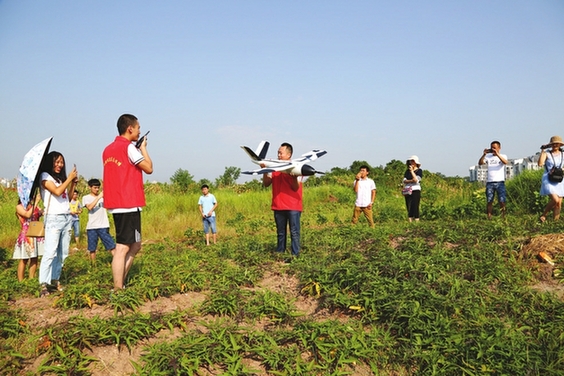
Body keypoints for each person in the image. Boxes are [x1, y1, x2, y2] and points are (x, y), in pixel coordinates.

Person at [103, 114, 153, 291]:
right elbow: (149, 168)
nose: (139, 131)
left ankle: (120, 282)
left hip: (117, 203)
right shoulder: (129, 148)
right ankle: (117, 288)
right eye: (138, 128)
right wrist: (143, 149)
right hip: (128, 203)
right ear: (130, 128)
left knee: (135, 245)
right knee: (123, 247)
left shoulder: (108, 150)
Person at [38, 151, 78, 297]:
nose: (60, 165)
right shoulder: (44, 177)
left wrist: (72, 183)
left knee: (63, 253)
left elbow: (65, 195)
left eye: (61, 162)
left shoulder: (59, 179)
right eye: (57, 162)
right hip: (53, 218)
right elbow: (56, 191)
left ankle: (55, 280)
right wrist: (69, 179)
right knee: (50, 252)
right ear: (50, 163)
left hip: (66, 217)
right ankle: (43, 283)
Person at [262, 142, 303, 259]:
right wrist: (265, 171)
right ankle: (280, 253)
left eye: (281, 153)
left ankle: (295, 255)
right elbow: (266, 183)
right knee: (281, 232)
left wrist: (293, 177)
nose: (278, 155)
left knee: (294, 232)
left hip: (293, 206)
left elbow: (295, 187)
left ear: (289, 154)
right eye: (278, 153)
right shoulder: (274, 167)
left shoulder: (296, 166)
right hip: (278, 205)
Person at [82, 178, 116, 264]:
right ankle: (94, 266)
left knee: (111, 245)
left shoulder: (103, 198)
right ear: (90, 187)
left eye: (98, 188)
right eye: (95, 187)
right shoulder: (86, 198)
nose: (97, 189)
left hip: (103, 225)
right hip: (92, 226)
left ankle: (117, 262)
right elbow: (89, 207)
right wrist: (99, 197)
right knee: (92, 248)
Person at [13, 197, 44, 281]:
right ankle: (21, 281)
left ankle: (31, 279)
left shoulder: (35, 206)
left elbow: (43, 213)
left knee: (35, 258)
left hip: (36, 234)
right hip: (26, 236)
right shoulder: (19, 207)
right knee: (24, 259)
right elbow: (27, 215)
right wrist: (36, 202)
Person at [478, 141, 508, 219]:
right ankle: (489, 216)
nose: (493, 149)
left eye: (494, 147)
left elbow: (505, 162)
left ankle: (503, 216)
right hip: (490, 182)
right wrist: (484, 154)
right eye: (492, 147)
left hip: (500, 182)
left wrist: (497, 154)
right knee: (489, 200)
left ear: (499, 148)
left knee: (502, 200)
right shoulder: (488, 157)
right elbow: (480, 163)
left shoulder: (503, 156)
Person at [538, 136, 564, 222]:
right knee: (555, 200)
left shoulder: (563, 154)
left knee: (558, 203)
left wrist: (561, 169)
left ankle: (555, 223)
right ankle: (544, 214)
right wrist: (543, 150)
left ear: (560, 144)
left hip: (559, 179)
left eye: (557, 143)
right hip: (548, 178)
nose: (555, 145)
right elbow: (540, 163)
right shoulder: (547, 154)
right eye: (553, 143)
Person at [402, 155, 423, 222]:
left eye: (413, 161)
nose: (411, 163)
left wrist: (412, 171)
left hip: (415, 189)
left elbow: (417, 180)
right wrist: (411, 181)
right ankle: (410, 220)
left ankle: (416, 219)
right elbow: (404, 180)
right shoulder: (407, 171)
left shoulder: (419, 171)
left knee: (415, 204)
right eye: (410, 161)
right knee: (408, 204)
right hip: (407, 190)